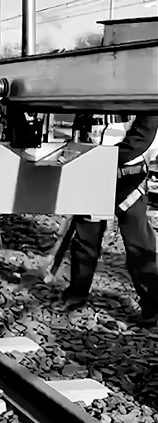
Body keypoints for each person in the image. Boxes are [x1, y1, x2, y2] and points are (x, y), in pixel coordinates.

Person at [58, 114, 158, 327]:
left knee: (138, 243)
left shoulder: (142, 101)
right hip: (93, 170)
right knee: (86, 238)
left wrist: (103, 158)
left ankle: (153, 303)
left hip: (128, 175)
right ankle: (77, 293)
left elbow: (143, 135)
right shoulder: (91, 99)